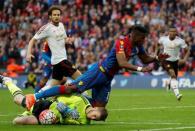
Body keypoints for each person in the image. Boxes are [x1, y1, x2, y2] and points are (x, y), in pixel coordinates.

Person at [25, 25, 169, 110]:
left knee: (98, 109)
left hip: (107, 78)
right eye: (142, 38)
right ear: (134, 35)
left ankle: (67, 103)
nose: (144, 40)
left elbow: (145, 59)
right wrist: (140, 70)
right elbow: (122, 62)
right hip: (99, 72)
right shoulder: (122, 42)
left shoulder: (137, 46)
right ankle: (35, 97)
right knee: (71, 88)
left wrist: (156, 58)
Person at [0, 75, 107, 125]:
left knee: (17, 122)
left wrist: (65, 114)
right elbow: (60, 97)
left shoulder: (84, 122)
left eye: (95, 119)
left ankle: (27, 112)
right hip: (47, 105)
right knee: (19, 100)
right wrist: (61, 106)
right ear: (96, 108)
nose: (92, 117)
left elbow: (67, 122)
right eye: (95, 115)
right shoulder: (81, 101)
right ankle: (8, 82)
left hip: (50, 119)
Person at [26, 5, 81, 87]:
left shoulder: (61, 25)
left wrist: (68, 41)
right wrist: (28, 53)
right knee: (81, 79)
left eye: (58, 15)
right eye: (54, 15)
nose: (56, 16)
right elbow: (32, 40)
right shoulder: (46, 28)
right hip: (61, 61)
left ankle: (37, 97)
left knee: (52, 88)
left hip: (57, 63)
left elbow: (64, 39)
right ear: (50, 16)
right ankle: (89, 99)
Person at [155, 26, 190, 101]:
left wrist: (184, 59)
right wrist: (156, 54)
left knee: (173, 77)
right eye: (171, 31)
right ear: (168, 32)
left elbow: (187, 50)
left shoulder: (180, 41)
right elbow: (157, 45)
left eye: (174, 31)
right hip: (166, 60)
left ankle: (168, 82)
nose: (172, 33)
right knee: (173, 74)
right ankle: (177, 94)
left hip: (175, 61)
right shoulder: (163, 39)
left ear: (176, 33)